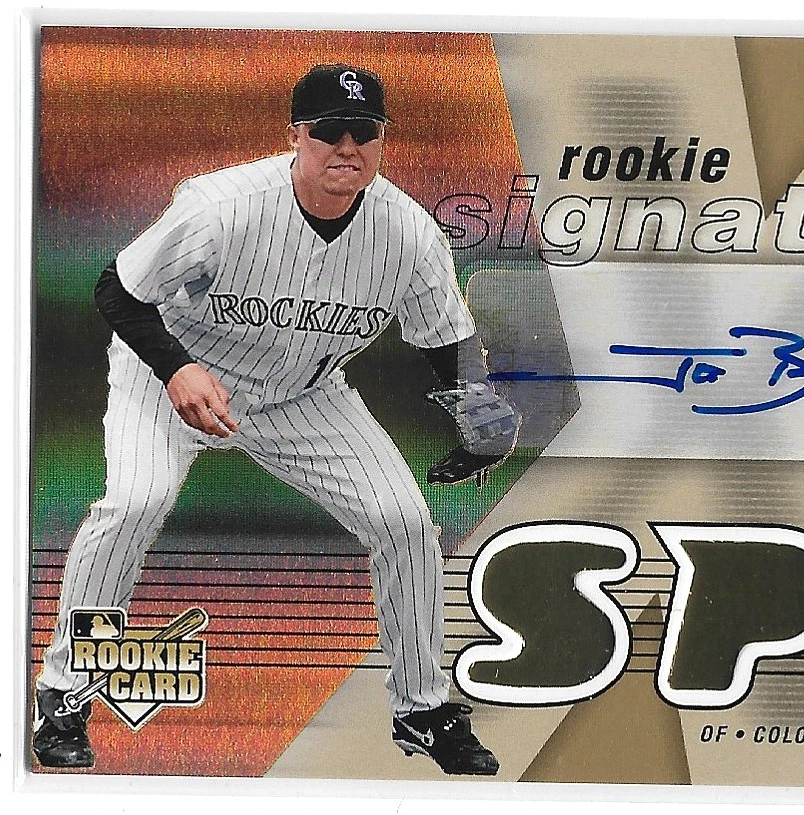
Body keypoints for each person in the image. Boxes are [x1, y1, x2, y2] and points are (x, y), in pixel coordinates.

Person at [33, 64, 518, 776]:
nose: (347, 146)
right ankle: (65, 692)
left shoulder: (407, 231)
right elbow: (119, 288)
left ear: (381, 140)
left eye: (364, 131)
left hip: (302, 394)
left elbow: (446, 337)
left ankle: (422, 708)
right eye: (330, 130)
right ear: (297, 135)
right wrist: (176, 368)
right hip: (169, 375)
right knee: (135, 502)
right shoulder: (223, 206)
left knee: (406, 522)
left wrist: (472, 406)